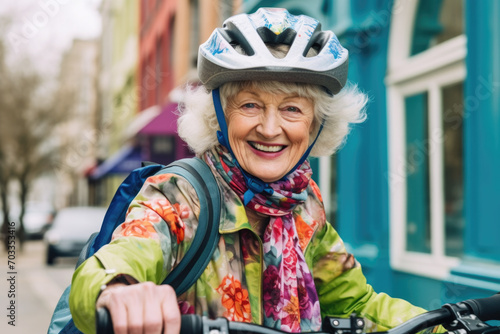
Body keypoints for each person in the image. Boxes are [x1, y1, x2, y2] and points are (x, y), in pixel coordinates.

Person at [69, 8, 432, 334]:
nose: (270, 129)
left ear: (316, 125)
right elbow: (121, 257)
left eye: (292, 109)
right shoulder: (179, 195)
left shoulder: (304, 205)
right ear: (221, 117)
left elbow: (354, 305)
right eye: (250, 105)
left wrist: (441, 324)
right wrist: (117, 291)